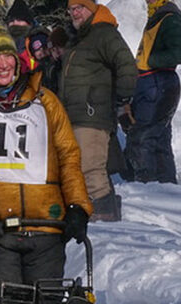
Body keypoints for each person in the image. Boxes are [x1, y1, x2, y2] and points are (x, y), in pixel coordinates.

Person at [0, 24, 92, 288]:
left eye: (7, 56)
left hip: (46, 227)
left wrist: (78, 206)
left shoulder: (45, 101)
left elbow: (68, 157)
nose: (3, 64)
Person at [59, 0, 137, 221]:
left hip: (92, 115)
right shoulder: (81, 38)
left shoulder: (104, 34)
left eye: (80, 8)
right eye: (71, 10)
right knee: (78, 169)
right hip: (75, 115)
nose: (75, 13)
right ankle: (94, 215)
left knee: (91, 168)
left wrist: (122, 98)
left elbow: (126, 64)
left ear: (91, 9)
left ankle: (106, 220)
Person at [125, 0, 181, 184]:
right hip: (152, 83)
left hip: (159, 82)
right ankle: (166, 186)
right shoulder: (156, 17)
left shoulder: (169, 18)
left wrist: (150, 61)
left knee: (142, 136)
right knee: (159, 137)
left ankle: (148, 185)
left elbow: (180, 53)